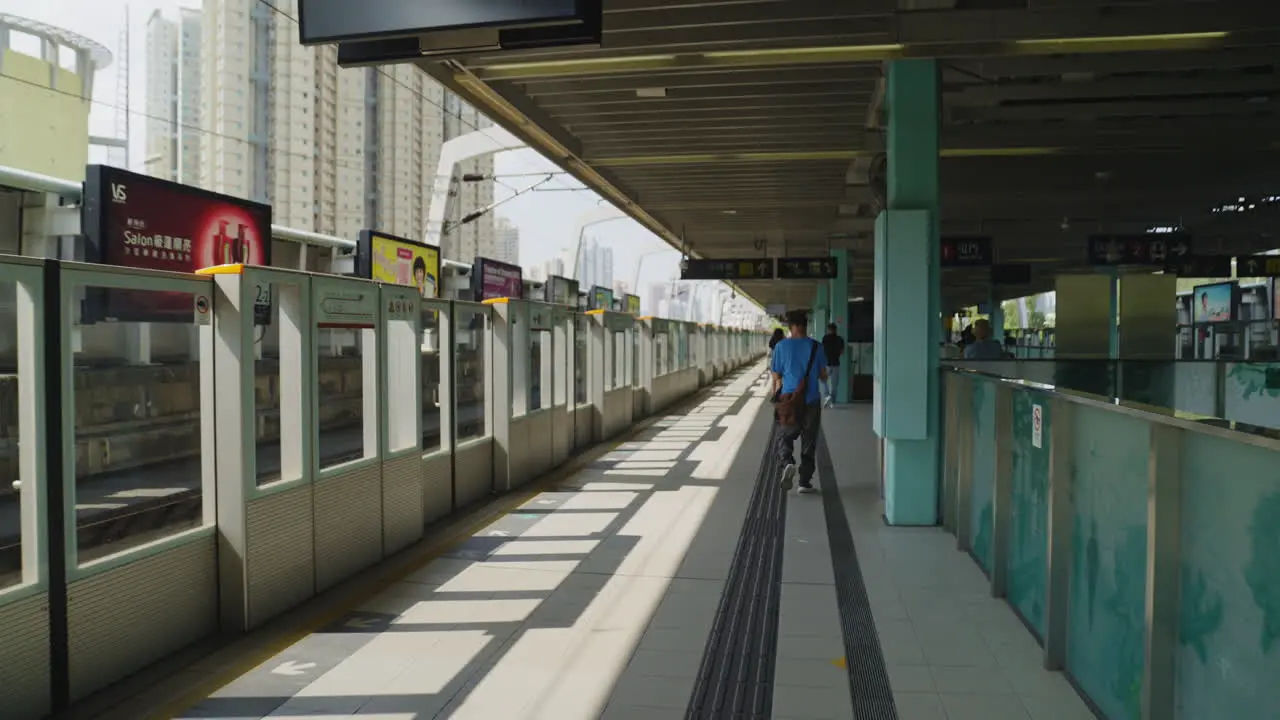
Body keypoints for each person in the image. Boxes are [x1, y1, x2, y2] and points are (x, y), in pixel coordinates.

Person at [770, 310, 827, 494]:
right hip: (811, 399)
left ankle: (787, 462)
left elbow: (776, 375)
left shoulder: (781, 346)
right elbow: (823, 376)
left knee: (784, 435)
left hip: (788, 400)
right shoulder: (817, 347)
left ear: (790, 327)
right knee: (809, 440)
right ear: (806, 325)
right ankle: (804, 482)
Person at [820, 323, 845, 408]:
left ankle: (827, 396)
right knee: (834, 385)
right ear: (836, 330)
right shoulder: (840, 339)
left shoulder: (825, 338)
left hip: (826, 364)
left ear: (828, 330)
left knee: (823, 381)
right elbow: (842, 352)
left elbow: (822, 350)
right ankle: (832, 402)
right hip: (836, 364)